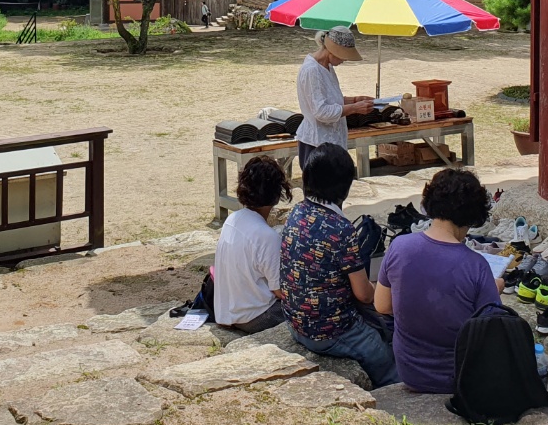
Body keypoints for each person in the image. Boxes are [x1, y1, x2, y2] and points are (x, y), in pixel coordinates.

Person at [373, 168, 502, 394]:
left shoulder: (399, 246)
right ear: (473, 216)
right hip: (457, 375)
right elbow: (488, 330)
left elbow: (382, 306)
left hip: (409, 370)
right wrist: (494, 288)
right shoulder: (476, 265)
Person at [281, 143, 398, 388]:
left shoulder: (297, 212)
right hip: (330, 331)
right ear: (345, 187)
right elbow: (364, 295)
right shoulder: (340, 229)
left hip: (295, 322)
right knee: (388, 362)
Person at [213, 156, 291, 333]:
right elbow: (280, 292)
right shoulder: (267, 236)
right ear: (277, 194)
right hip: (256, 317)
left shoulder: (232, 220)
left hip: (227, 312)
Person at [294, 27, 373, 170]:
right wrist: (354, 108)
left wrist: (355, 100)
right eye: (343, 56)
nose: (344, 60)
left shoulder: (327, 67)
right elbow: (321, 111)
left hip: (330, 141)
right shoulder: (312, 70)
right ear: (332, 51)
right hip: (317, 144)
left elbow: (330, 99)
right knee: (321, 190)